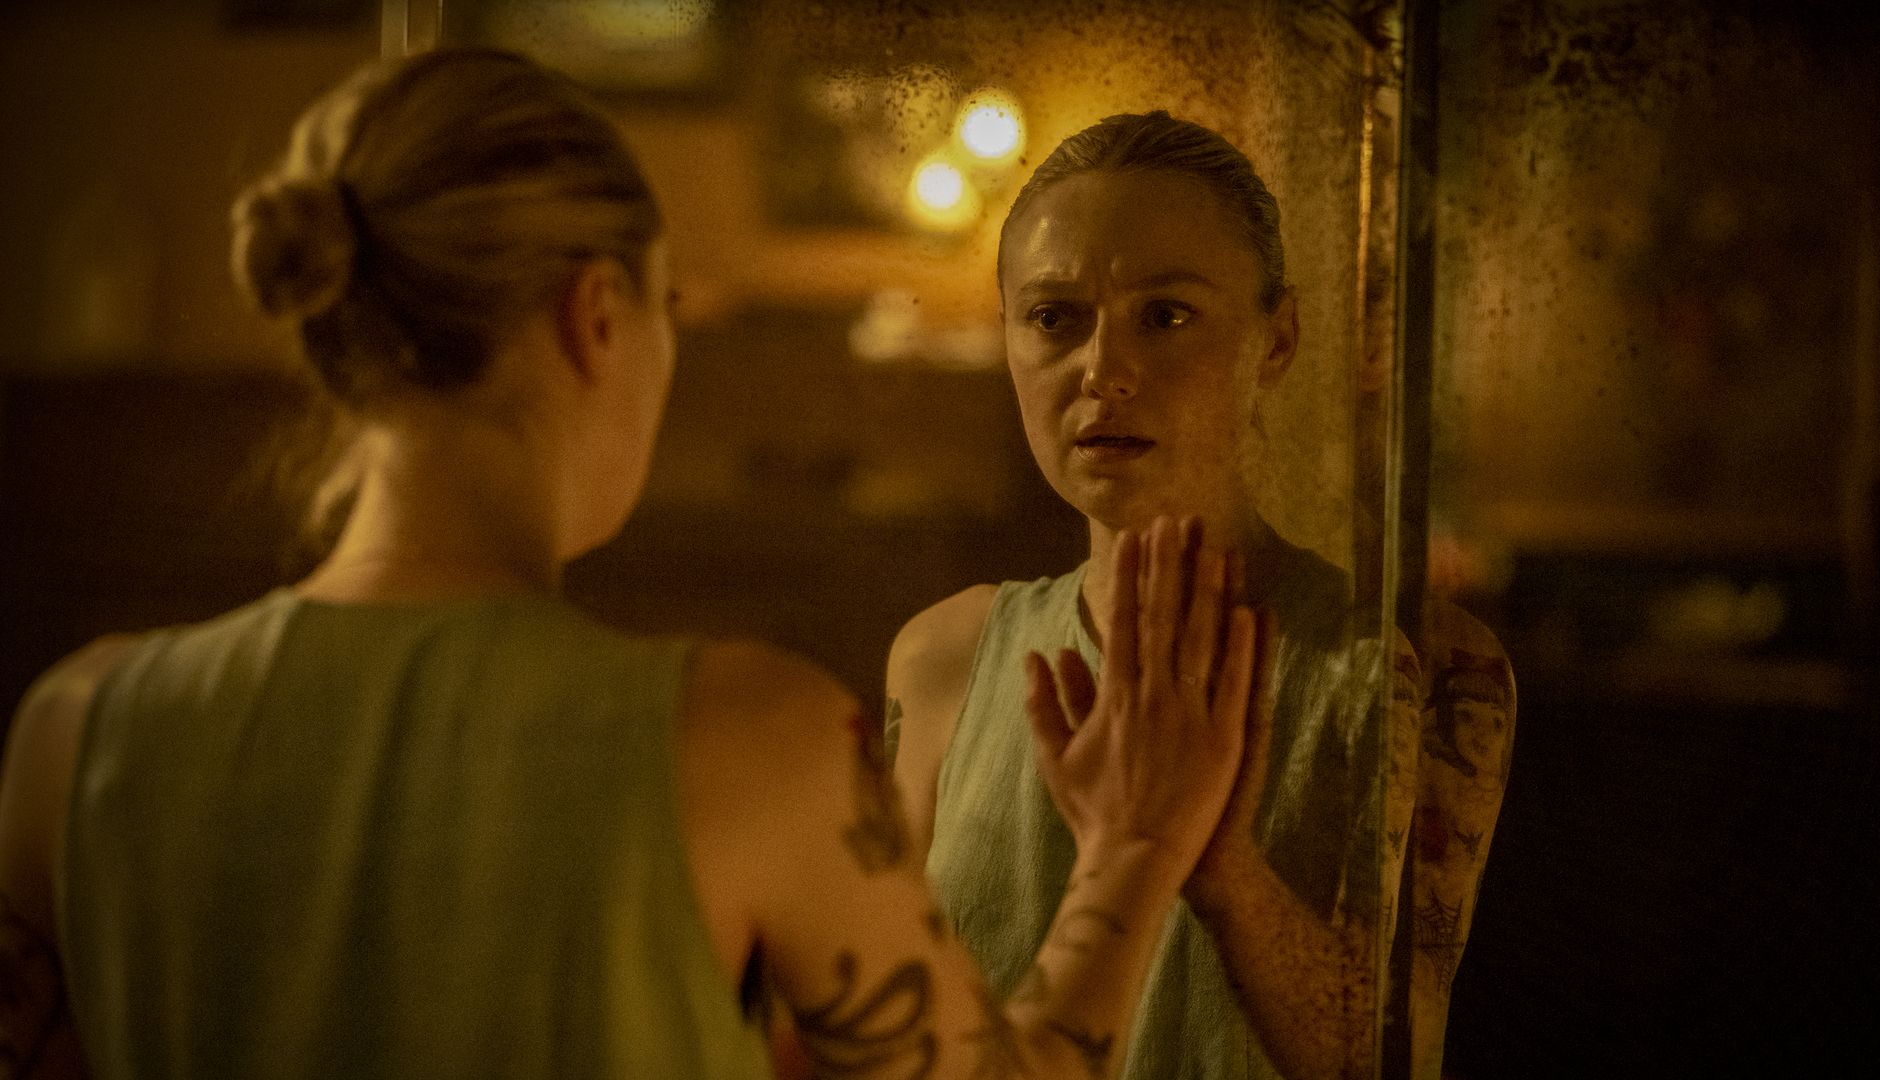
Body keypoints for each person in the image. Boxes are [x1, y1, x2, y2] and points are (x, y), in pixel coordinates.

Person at [0, 52, 1268, 1080]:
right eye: (668, 316)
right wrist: (1135, 851)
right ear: (596, 317)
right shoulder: (742, 737)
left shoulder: (74, 732)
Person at [886, 111, 1516, 1080]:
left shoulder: (1411, 665)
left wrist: (1213, 863)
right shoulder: (944, 658)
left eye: (1166, 315)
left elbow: (1395, 1055)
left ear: (1277, 340)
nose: (1103, 371)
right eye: (1055, 318)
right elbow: (891, 1036)